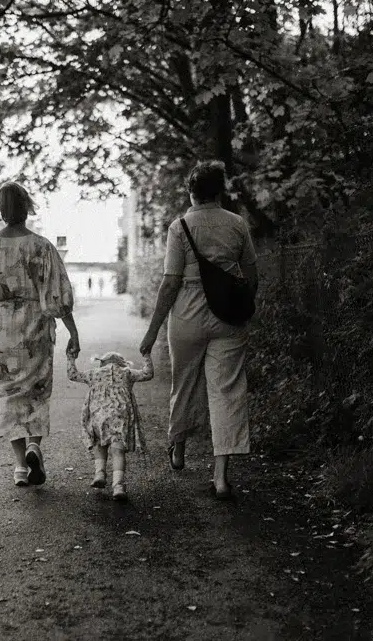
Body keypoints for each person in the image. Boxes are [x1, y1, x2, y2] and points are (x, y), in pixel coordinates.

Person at [138, 160, 259, 501]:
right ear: (220, 191)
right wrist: (242, 306)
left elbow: (170, 283)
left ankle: (178, 449)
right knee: (227, 391)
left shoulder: (180, 227)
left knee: (184, 383)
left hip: (187, 313)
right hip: (229, 316)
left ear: (191, 192)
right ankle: (220, 478)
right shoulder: (237, 224)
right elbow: (252, 275)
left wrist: (152, 331)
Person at [0, 182, 80, 487]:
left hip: (1, 332)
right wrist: (73, 333)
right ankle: (34, 445)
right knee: (36, 393)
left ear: (0, 210)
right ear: (26, 208)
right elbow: (58, 295)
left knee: (5, 397)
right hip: (35, 328)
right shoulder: (42, 247)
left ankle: (20, 466)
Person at [67, 351, 153, 502]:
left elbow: (73, 375)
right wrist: (146, 355)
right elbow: (148, 374)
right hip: (120, 416)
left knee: (100, 444)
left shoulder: (93, 373)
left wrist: (71, 358)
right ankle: (118, 486)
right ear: (123, 363)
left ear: (102, 363)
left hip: (98, 415)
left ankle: (100, 473)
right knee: (118, 451)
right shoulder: (127, 373)